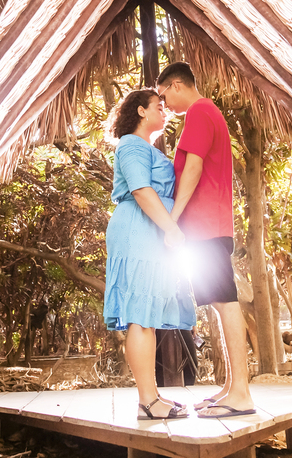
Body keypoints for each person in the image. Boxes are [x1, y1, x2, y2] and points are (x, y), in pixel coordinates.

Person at [157, 62, 256, 418]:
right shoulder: (205, 112)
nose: (164, 103)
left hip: (205, 225)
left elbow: (194, 167)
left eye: (164, 95)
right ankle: (231, 387)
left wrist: (173, 217)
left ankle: (241, 393)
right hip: (207, 226)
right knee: (218, 301)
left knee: (226, 302)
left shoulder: (199, 111)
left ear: (178, 84)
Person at [103, 88, 195, 420]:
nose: (165, 111)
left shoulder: (146, 147)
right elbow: (141, 190)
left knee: (148, 318)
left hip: (150, 233)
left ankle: (153, 397)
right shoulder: (131, 144)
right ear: (141, 111)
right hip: (138, 231)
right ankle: (146, 401)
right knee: (140, 317)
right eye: (159, 106)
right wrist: (171, 228)